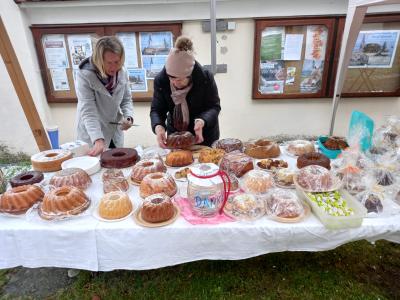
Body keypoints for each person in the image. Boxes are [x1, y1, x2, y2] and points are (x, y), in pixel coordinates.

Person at [150, 36, 221, 148]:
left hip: (203, 134)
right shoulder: (161, 80)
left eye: (180, 79)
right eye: (171, 78)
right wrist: (158, 126)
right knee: (179, 162)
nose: (175, 83)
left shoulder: (205, 78)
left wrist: (202, 121)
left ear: (190, 75)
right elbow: (157, 109)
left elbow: (214, 106)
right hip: (176, 136)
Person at [75, 36, 134, 156]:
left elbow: (126, 100)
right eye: (109, 63)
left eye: (117, 62)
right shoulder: (85, 75)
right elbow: (88, 110)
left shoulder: (122, 72)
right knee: (95, 168)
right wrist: (97, 138)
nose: (114, 67)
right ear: (99, 60)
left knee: (115, 166)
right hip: (93, 134)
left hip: (113, 130)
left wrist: (128, 117)